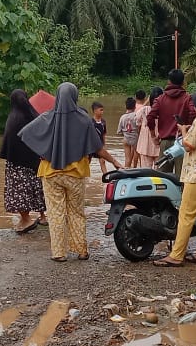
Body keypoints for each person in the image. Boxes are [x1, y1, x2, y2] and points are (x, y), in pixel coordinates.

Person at [19, 83, 122, 262]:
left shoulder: (46, 118)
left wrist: (43, 151)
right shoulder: (84, 120)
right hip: (75, 174)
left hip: (51, 174)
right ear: (75, 97)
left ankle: (59, 253)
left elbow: (26, 134)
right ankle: (81, 250)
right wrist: (114, 161)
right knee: (76, 212)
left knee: (56, 213)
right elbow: (98, 148)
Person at [153, 94, 196, 268]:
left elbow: (188, 145)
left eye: (195, 104)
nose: (193, 107)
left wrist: (184, 131)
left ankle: (176, 255)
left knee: (186, 213)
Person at [0, 89, 46, 234]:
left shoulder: (13, 118)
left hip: (17, 163)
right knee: (35, 190)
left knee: (20, 192)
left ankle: (26, 219)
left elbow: (10, 143)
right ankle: (38, 216)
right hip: (34, 161)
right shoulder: (33, 115)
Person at [145, 70, 196, 176]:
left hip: (165, 143)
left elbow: (150, 117)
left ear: (169, 81)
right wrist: (187, 128)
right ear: (183, 82)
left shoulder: (160, 99)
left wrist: (153, 135)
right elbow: (193, 113)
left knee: (161, 179)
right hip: (182, 143)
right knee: (182, 178)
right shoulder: (187, 98)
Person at [134, 87, 162, 168]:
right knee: (159, 173)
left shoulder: (144, 110)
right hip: (159, 144)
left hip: (145, 144)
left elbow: (137, 122)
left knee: (146, 172)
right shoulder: (165, 111)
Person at [90, 101, 112, 175]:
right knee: (88, 161)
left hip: (100, 145)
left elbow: (104, 134)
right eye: (101, 110)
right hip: (92, 146)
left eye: (103, 110)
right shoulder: (91, 122)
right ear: (95, 111)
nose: (102, 112)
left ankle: (105, 175)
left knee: (102, 161)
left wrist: (104, 144)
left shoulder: (103, 122)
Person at [118, 97, 139, 168]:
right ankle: (135, 168)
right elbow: (139, 127)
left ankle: (126, 171)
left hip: (126, 139)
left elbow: (119, 131)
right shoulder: (136, 115)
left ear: (125, 106)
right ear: (135, 106)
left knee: (127, 158)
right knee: (137, 155)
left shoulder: (122, 117)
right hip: (135, 139)